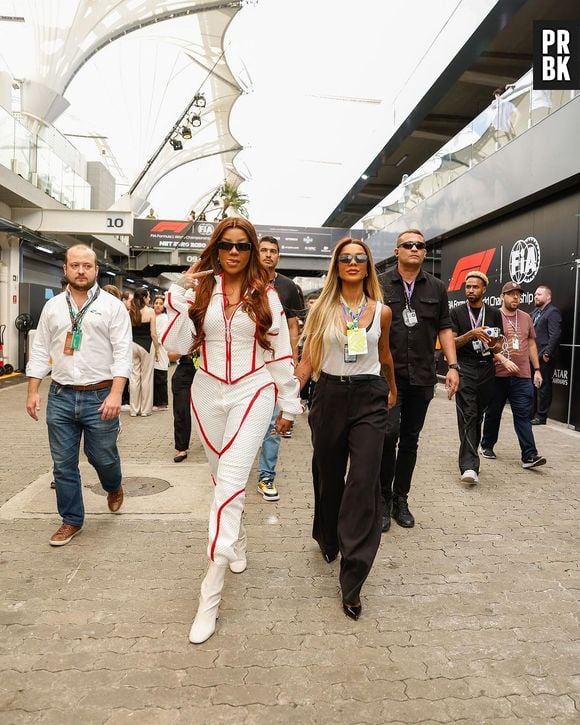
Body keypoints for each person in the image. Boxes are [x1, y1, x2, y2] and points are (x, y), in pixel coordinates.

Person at [162, 217, 302, 644]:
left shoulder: (267, 295)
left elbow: (281, 354)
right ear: (216, 249)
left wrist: (290, 404)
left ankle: (211, 590)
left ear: (252, 249)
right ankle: (237, 538)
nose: (235, 252)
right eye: (227, 245)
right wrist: (178, 297)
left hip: (253, 390)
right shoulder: (200, 291)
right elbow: (173, 346)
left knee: (230, 485)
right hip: (206, 392)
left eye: (243, 245)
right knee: (219, 478)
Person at [295, 238, 396, 621]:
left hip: (370, 396)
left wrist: (391, 390)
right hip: (331, 395)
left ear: (369, 266)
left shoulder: (382, 311)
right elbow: (310, 359)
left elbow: (384, 354)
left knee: (364, 481)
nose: (353, 262)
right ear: (336, 265)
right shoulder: (321, 308)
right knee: (329, 475)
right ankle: (327, 535)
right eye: (345, 258)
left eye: (360, 258)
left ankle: (352, 579)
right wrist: (288, 397)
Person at [25, 244, 132, 546]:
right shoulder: (53, 307)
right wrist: (33, 390)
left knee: (102, 457)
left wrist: (116, 394)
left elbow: (123, 353)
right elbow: (41, 350)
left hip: (100, 396)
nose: (81, 271)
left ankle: (113, 486)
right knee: (62, 464)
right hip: (60, 395)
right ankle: (71, 519)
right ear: (66, 269)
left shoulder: (112, 306)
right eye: (75, 265)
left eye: (87, 265)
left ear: (97, 270)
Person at [379, 229, 460, 532]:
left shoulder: (437, 287)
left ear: (425, 252)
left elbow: (444, 327)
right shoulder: (380, 283)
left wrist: (452, 366)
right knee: (387, 436)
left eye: (420, 245)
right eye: (408, 244)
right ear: (397, 250)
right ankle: (382, 499)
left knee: (410, 439)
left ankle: (401, 499)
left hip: (422, 377)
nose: (414, 248)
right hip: (388, 376)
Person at [255, 235, 304, 501]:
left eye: (273, 251)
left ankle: (266, 475)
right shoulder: (245, 280)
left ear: (278, 255)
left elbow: (293, 326)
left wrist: (293, 357)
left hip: (276, 362)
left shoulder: (287, 287)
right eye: (263, 250)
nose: (268, 255)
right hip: (246, 363)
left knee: (274, 419)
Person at [480, 281, 547, 469]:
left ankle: (529, 455)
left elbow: (532, 344)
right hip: (497, 375)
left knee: (523, 415)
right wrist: (503, 360)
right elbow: (487, 344)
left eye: (518, 294)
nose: (515, 297)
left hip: (522, 375)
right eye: (511, 294)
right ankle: (487, 445)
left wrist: (537, 370)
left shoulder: (526, 317)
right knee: (493, 413)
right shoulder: (493, 315)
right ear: (502, 296)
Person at [450, 271, 503, 485]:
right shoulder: (456, 312)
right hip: (465, 367)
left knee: (477, 415)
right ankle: (470, 466)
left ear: (484, 289)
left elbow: (499, 345)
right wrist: (472, 334)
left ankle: (471, 455)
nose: (470, 290)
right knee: (468, 414)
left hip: (487, 368)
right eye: (468, 287)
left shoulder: (493, 313)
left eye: (475, 287)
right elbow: (451, 343)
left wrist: (491, 342)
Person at [530, 285, 561, 425]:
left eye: (539, 294)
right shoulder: (535, 312)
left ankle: (541, 416)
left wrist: (547, 353)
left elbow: (555, 335)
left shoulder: (553, 312)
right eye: (535, 294)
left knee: (543, 387)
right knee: (532, 387)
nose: (536, 296)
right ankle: (531, 413)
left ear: (548, 297)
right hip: (532, 356)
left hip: (544, 357)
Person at [128, 288, 160, 417]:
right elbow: (153, 334)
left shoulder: (130, 311)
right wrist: (157, 350)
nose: (150, 299)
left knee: (134, 378)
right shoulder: (150, 311)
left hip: (132, 345)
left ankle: (134, 410)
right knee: (146, 378)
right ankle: (145, 410)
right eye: (148, 297)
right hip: (147, 346)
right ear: (144, 298)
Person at [152, 295, 169, 411]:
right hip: (151, 349)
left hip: (160, 349)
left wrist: (155, 342)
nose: (158, 305)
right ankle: (155, 402)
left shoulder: (164, 318)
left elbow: (161, 335)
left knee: (160, 375)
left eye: (160, 303)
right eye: (156, 303)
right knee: (154, 376)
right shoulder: (152, 316)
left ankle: (162, 403)